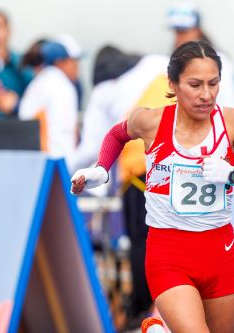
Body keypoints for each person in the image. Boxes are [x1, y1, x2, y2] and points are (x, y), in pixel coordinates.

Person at [71, 40, 234, 332]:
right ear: (172, 84)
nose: (206, 95)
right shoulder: (151, 121)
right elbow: (117, 134)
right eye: (195, 85)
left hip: (220, 255)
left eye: (213, 83)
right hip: (169, 254)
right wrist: (101, 169)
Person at [67, 45, 171, 326]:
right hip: (185, 162)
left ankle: (141, 313)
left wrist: (59, 165)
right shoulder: (156, 60)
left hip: (143, 169)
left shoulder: (104, 91)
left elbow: (91, 147)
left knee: (143, 242)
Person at [167, 1, 234, 112]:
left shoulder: (219, 60)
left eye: (184, 31)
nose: (179, 37)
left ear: (197, 30)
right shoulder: (171, 61)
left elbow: (231, 106)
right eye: (176, 31)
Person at [19, 35, 82, 158]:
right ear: (60, 62)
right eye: (73, 61)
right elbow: (62, 139)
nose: (77, 67)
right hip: (51, 166)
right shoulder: (62, 85)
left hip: (33, 163)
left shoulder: (38, 82)